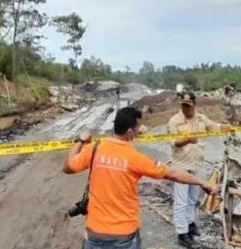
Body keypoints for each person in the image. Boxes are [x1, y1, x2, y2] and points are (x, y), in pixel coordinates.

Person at [63, 107, 219, 249]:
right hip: (124, 234)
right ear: (130, 132)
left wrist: (80, 141)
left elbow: (68, 167)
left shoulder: (95, 148)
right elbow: (172, 174)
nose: (139, 131)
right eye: (138, 128)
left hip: (94, 232)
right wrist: (202, 182)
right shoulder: (136, 158)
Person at [167, 92, 231, 248]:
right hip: (181, 165)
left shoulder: (201, 118)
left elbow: (215, 127)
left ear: (195, 104)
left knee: (192, 199)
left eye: (188, 106)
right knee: (181, 201)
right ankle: (182, 233)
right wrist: (188, 139)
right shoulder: (175, 121)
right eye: (183, 105)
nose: (186, 109)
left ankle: (190, 224)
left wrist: (229, 127)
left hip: (197, 165)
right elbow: (173, 143)